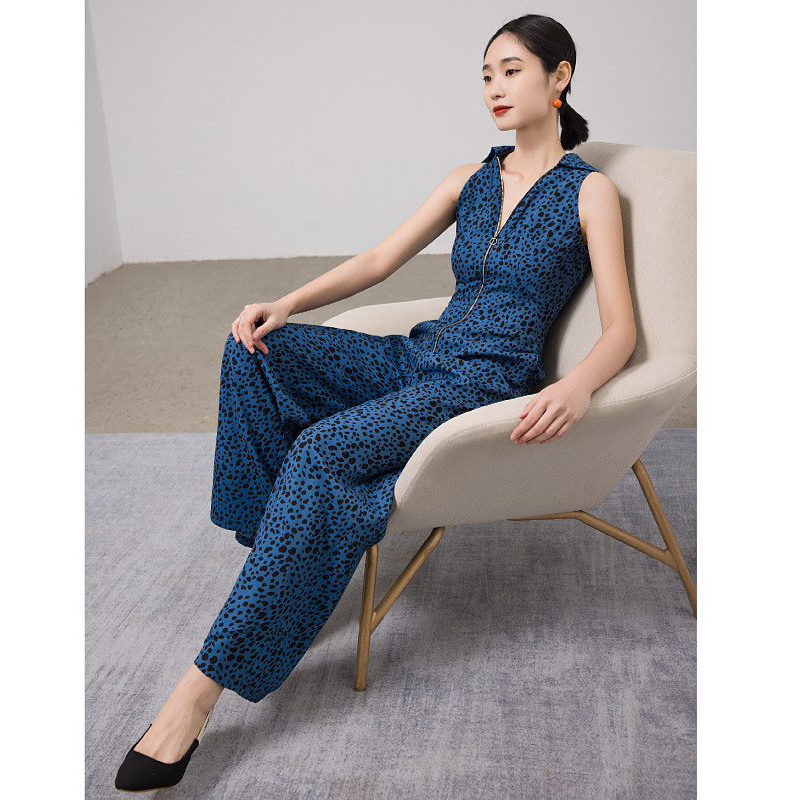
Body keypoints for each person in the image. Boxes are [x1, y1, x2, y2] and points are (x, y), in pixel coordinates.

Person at [114, 13, 636, 792]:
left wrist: (576, 384)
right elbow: (382, 258)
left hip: (479, 385)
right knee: (253, 350)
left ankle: (197, 695)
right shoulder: (470, 179)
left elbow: (622, 328)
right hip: (418, 356)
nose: (494, 88)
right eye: (486, 75)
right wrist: (286, 303)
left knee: (321, 451)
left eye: (512, 70)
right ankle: (279, 558)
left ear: (559, 77)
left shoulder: (589, 192)